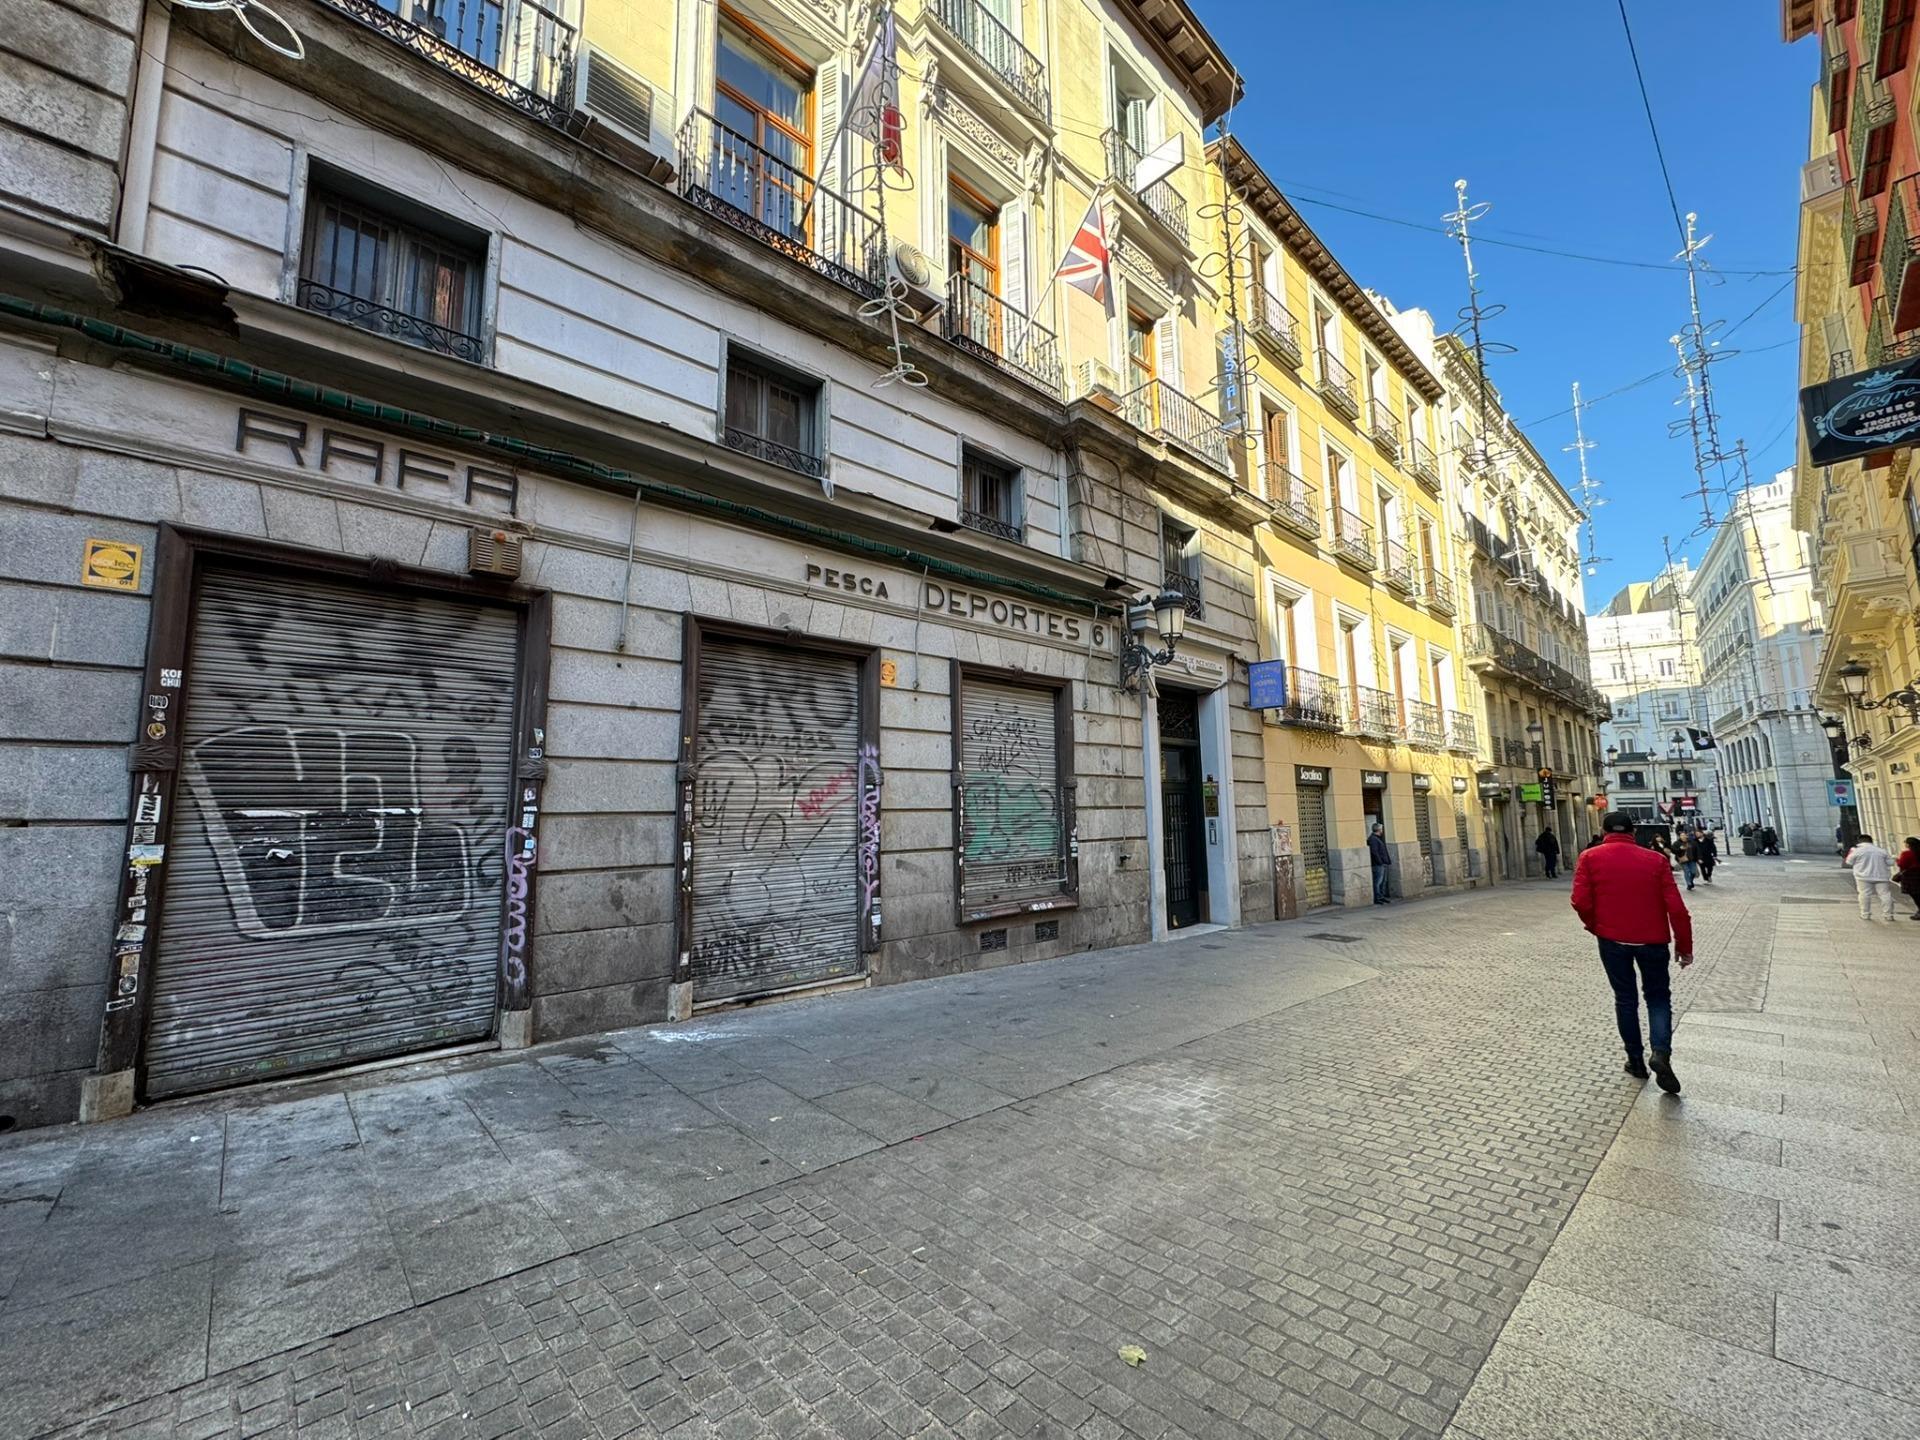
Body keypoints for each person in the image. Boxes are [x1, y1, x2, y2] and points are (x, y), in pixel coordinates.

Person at [1572, 810, 1693, 1093]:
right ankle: (1661, 1053)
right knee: (1658, 999)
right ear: (1634, 833)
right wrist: (1684, 947)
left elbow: (1579, 901)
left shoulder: (1590, 858)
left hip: (1612, 940)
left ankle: (1635, 1060)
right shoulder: (1656, 861)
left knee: (1625, 999)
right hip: (1653, 942)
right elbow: (1677, 909)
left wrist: (1596, 926)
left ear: (1603, 832)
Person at [1844, 834, 1897, 921]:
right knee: (1885, 895)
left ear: (1859, 841)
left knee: (1864, 894)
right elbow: (1890, 863)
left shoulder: (1857, 851)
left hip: (1863, 876)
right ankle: (1888, 915)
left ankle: (1865, 914)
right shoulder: (1881, 851)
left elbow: (1849, 862)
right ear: (1871, 841)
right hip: (1881, 876)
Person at [1368, 822, 1392, 905]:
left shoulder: (1377, 838)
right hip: (1378, 864)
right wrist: (1380, 862)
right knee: (1378, 882)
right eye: (1381, 829)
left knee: (1383, 881)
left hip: (1382, 863)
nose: (1382, 830)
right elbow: (1374, 852)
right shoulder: (1373, 839)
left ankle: (1381, 896)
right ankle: (1377, 898)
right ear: (1378, 830)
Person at [1896, 837, 1920, 921]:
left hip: (1910, 876)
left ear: (1909, 844)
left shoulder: (1907, 854)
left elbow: (1902, 864)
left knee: (1915, 895)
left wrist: (1897, 860)